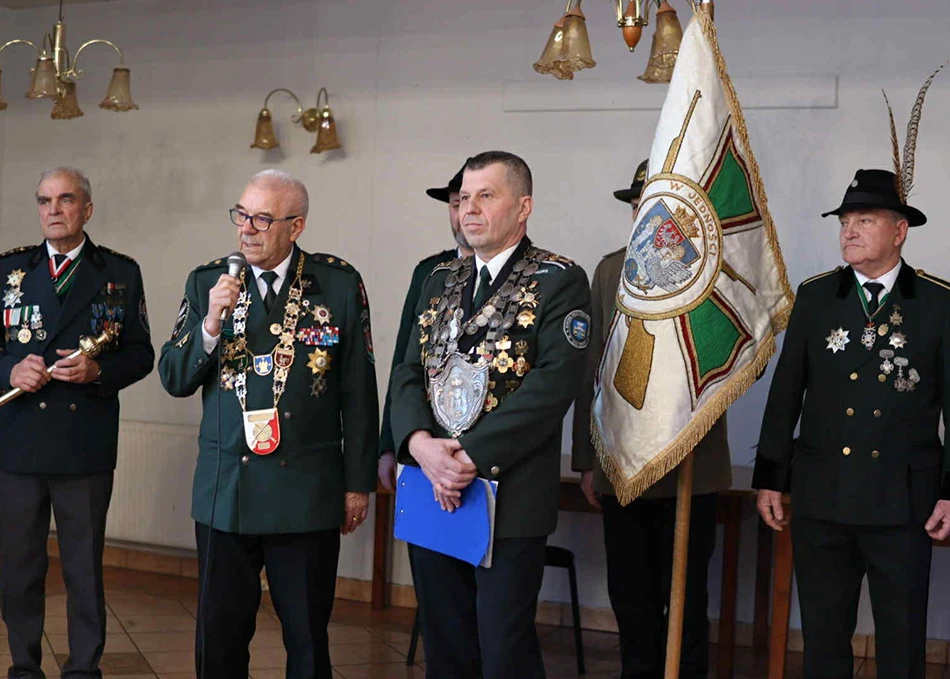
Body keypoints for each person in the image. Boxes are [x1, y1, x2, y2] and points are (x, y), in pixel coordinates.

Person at [157, 169, 378, 679]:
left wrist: (357, 483)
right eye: (241, 215)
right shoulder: (207, 281)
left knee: (307, 638)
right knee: (219, 638)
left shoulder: (337, 283)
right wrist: (210, 324)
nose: (246, 229)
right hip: (226, 491)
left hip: (305, 491)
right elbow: (173, 377)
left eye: (261, 219)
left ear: (295, 226)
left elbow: (358, 391)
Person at [390, 150, 592, 679]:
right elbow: (407, 369)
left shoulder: (558, 279)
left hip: (509, 493)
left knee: (503, 650)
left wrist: (468, 457)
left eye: (486, 195)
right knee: (445, 646)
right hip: (433, 485)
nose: (469, 209)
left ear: (523, 207)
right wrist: (419, 445)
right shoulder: (439, 278)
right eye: (464, 198)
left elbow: (554, 385)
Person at [753, 168, 950, 678]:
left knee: (902, 640)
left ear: (899, 231)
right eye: (844, 222)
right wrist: (770, 477)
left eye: (864, 220)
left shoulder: (938, 302)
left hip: (902, 500)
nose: (849, 231)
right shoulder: (817, 296)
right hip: (824, 494)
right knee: (823, 638)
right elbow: (786, 391)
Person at [571, 160, 732, 679]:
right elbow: (592, 369)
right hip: (622, 464)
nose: (645, 215)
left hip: (691, 466)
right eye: (639, 206)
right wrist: (587, 461)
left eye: (656, 207)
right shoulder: (609, 271)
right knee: (629, 593)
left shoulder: (710, 276)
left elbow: (724, 364)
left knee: (685, 595)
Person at [0, 167, 154, 677]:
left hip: (83, 444)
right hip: (18, 442)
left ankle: (84, 669)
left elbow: (141, 354)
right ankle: (24, 667)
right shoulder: (8, 270)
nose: (53, 210)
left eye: (65, 200)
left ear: (86, 209)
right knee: (19, 568)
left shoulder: (120, 273)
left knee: (83, 570)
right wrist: (9, 369)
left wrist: (98, 371)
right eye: (44, 201)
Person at [378, 161, 474, 491]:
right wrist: (389, 443)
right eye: (456, 204)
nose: (463, 213)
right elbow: (404, 362)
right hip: (424, 439)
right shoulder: (430, 272)